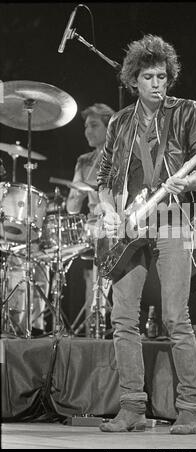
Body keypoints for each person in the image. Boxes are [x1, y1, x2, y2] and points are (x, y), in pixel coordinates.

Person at [96, 34, 196, 434]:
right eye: (148, 76)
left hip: (176, 219)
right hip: (131, 224)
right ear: (134, 79)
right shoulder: (119, 122)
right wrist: (109, 210)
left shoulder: (187, 111)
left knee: (174, 317)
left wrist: (193, 179)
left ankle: (190, 407)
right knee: (123, 317)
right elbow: (105, 178)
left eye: (162, 76)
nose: (156, 83)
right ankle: (131, 407)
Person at [66, 103, 114, 333]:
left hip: (117, 222)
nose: (87, 131)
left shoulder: (120, 156)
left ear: (109, 127)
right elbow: (72, 208)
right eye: (86, 126)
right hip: (92, 226)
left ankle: (99, 315)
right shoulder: (83, 161)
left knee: (104, 233)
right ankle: (95, 318)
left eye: (94, 125)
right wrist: (76, 193)